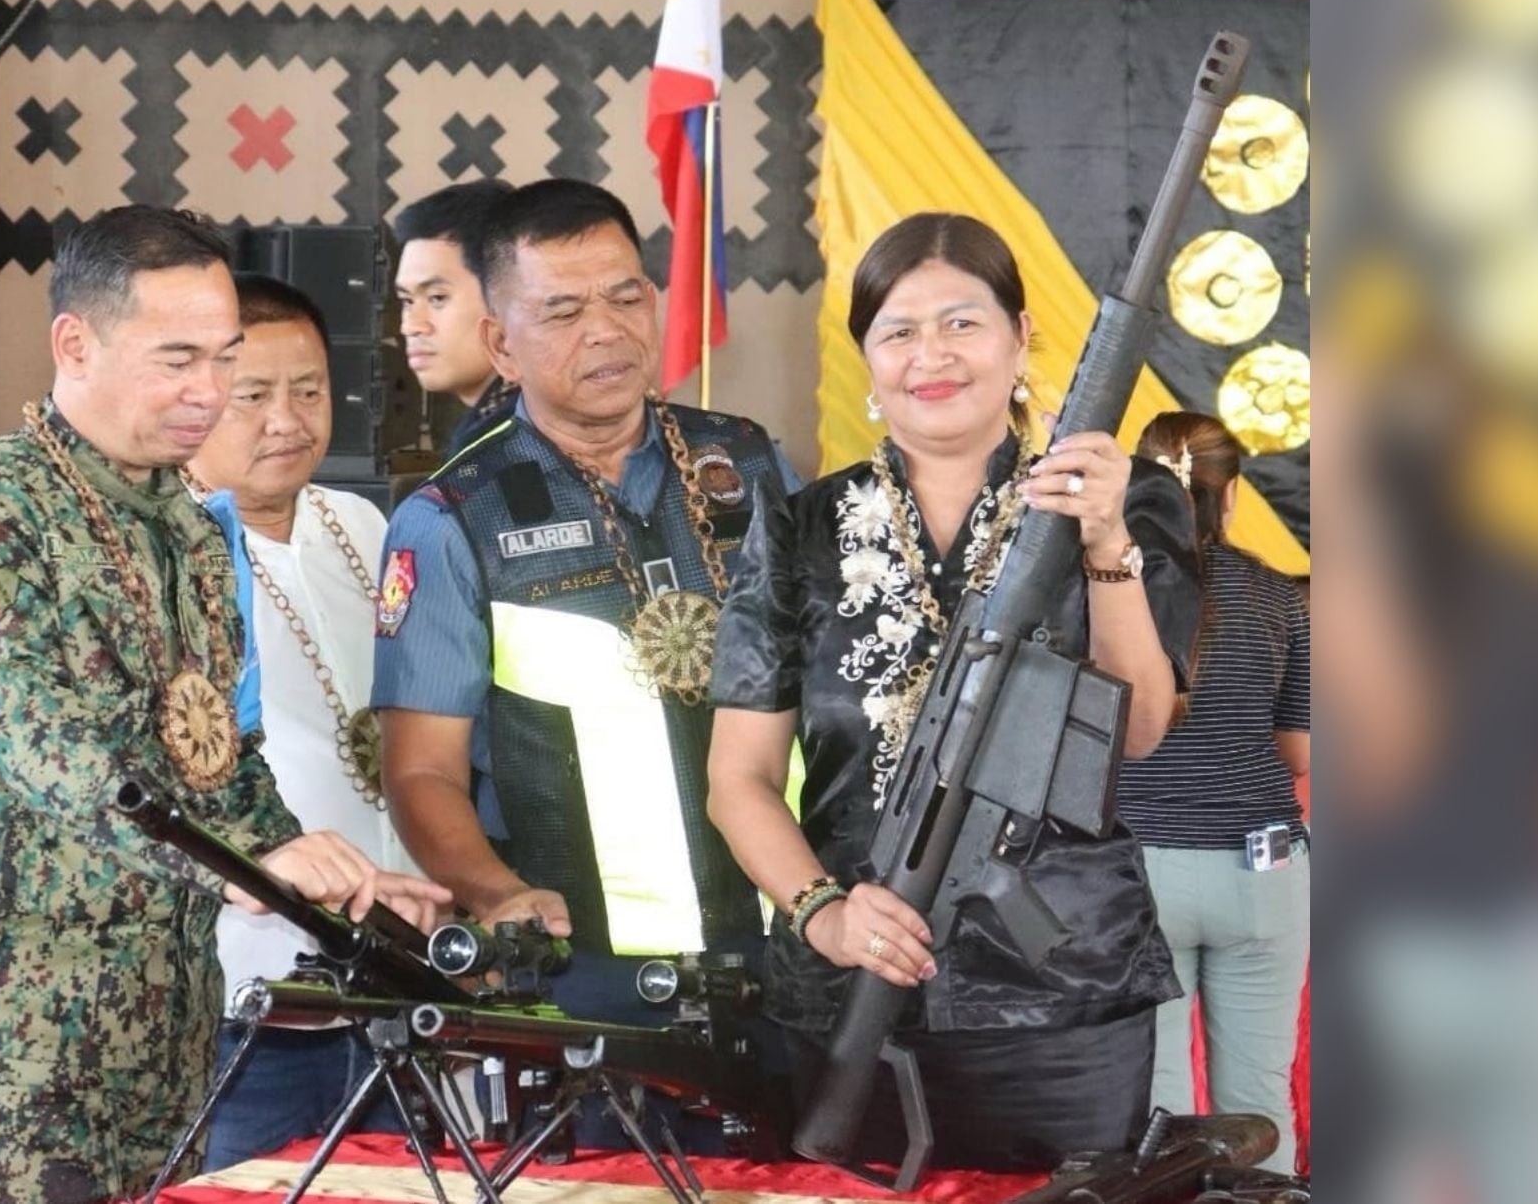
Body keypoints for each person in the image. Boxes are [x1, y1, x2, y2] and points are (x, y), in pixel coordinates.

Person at [0, 206, 449, 1204]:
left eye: (223, 357)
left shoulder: (191, 531)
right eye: (178, 359)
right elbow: (50, 754)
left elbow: (219, 752)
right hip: (24, 1019)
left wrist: (324, 876)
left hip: (175, 1005)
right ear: (75, 345)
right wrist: (250, 864)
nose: (210, 391)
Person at [705, 212, 1200, 1172]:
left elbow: (1140, 728)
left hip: (1062, 999)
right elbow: (740, 778)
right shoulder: (802, 527)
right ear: (867, 359)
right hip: (846, 992)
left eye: (962, 323)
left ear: (1021, 338)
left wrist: (1105, 545)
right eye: (898, 331)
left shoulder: (1125, 498)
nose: (930, 355)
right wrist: (825, 913)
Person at [372, 178, 801, 1028]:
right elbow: (421, 771)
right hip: (588, 971)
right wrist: (496, 893)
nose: (605, 330)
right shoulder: (455, 515)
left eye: (625, 297)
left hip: (792, 935)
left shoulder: (749, 465)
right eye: (563, 311)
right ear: (501, 344)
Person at [182, 273, 418, 1169]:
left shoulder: (361, 523)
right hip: (251, 988)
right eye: (253, 396)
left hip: (389, 976)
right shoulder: (175, 550)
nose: (286, 420)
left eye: (309, 390)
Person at [1116, 412, 1310, 1173]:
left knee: (1155, 1109)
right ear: (1230, 495)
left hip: (1137, 870)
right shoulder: (1280, 595)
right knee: (1259, 1103)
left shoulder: (1109, 592)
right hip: (1261, 868)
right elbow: (1298, 751)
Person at [392, 178, 519, 458]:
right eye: (407, 301)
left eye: (437, 298)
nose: (410, 326)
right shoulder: (497, 422)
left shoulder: (516, 439)